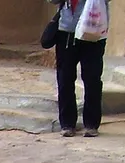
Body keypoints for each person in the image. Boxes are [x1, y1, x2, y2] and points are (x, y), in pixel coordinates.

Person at [49, 0, 108, 138]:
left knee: (92, 79)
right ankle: (67, 124)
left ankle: (91, 124)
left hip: (93, 30)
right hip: (67, 31)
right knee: (65, 78)